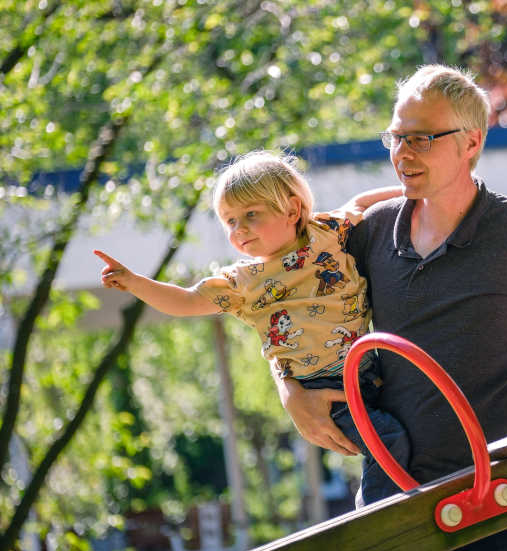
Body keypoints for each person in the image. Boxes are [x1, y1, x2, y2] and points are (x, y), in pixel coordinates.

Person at [279, 65, 507, 551]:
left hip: (497, 503)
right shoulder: (370, 233)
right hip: (396, 510)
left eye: (421, 138)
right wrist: (290, 389)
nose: (402, 154)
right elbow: (290, 304)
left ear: (471, 142)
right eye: (396, 137)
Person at [94, 151, 410, 506]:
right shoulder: (244, 282)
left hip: (368, 369)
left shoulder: (326, 231)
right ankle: (380, 516)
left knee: (409, 430)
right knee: (388, 440)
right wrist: (135, 283)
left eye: (251, 215)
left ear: (292, 211)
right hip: (323, 388)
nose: (238, 229)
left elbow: (362, 203)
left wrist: (413, 190)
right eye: (229, 221)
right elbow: (186, 301)